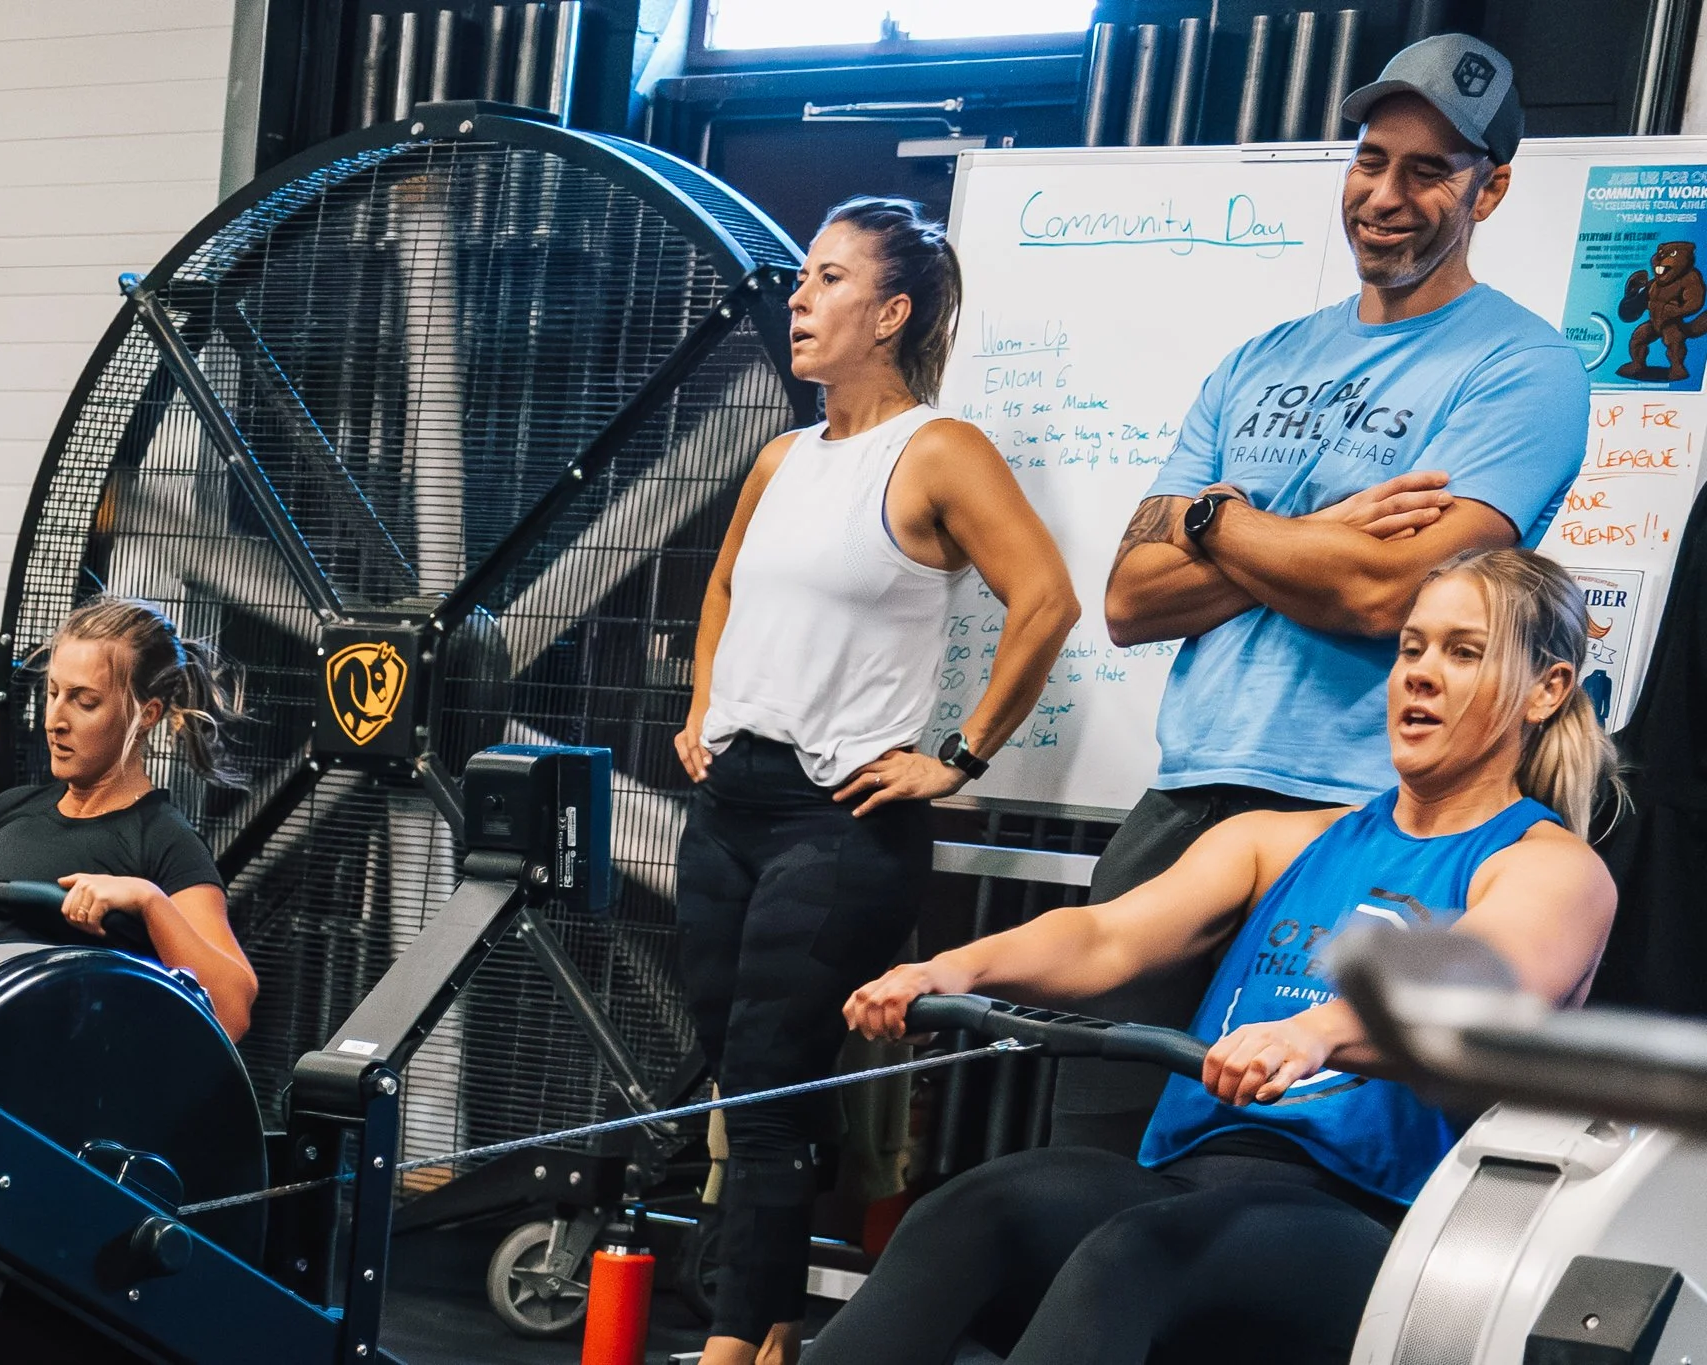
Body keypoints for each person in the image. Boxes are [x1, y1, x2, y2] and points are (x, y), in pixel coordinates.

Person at [808, 548, 1618, 1365]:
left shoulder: (1548, 867)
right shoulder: (1279, 839)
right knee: (973, 1208)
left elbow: (1472, 986)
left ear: (1546, 690)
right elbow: (1109, 933)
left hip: (1371, 1222)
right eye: (1411, 647)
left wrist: (1313, 1032)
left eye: (1463, 652)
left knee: (1133, 1257)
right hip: (1188, 1180)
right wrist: (951, 969)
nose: (1420, 673)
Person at [1077, 33, 1592, 1152]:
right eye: (1370, 161)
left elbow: (1383, 594)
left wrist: (1214, 521)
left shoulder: (1521, 369)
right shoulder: (1255, 359)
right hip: (1184, 800)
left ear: (1487, 189)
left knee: (1273, 1161)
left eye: (1427, 171)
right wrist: (1300, 535)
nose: (1384, 196)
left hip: (1351, 825)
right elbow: (1127, 597)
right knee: (1091, 1137)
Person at [671, 196, 1080, 1365]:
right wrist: (702, 708)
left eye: (829, 279)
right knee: (741, 1085)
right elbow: (723, 590)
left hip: (837, 821)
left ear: (890, 313)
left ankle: (728, 1346)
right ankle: (772, 1334)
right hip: (728, 807)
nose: (798, 298)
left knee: (762, 1080)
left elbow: (1045, 601)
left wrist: (958, 757)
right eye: (803, 278)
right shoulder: (781, 455)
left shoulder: (935, 450)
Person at [0, 597, 258, 1041]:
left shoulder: (163, 841)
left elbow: (232, 1013)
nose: (55, 720)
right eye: (53, 693)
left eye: (85, 702)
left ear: (147, 714)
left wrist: (149, 902)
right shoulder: (11, 809)